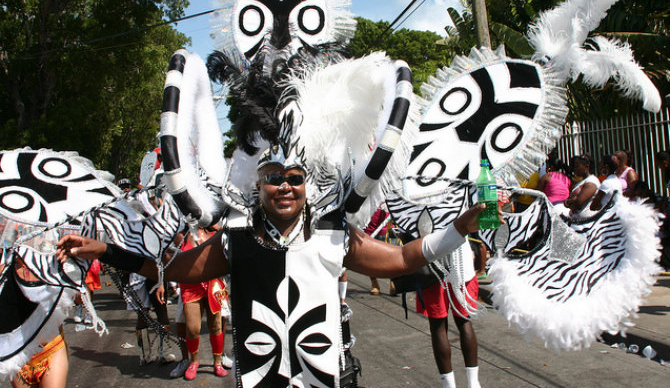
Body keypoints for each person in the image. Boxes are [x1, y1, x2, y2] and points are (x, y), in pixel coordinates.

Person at [56, 149, 488, 388]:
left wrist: (458, 229)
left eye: (295, 178)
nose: (285, 186)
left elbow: (404, 260)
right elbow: (170, 270)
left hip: (325, 378)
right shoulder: (234, 240)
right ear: (257, 186)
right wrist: (105, 250)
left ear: (307, 187)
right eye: (274, 178)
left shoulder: (334, 234)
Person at [417, 243, 481, 388]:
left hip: (432, 267)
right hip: (461, 265)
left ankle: (449, 386)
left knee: (438, 327)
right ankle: (473, 383)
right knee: (464, 322)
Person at [177, 227, 229, 381]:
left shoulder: (217, 233)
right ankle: (194, 361)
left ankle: (217, 363)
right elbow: (170, 259)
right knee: (192, 328)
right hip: (190, 288)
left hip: (213, 286)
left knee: (216, 326)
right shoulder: (181, 235)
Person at [364, 206, 396, 296]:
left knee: (391, 260)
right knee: (370, 261)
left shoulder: (388, 192)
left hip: (387, 230)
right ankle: (375, 285)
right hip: (369, 231)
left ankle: (393, 284)